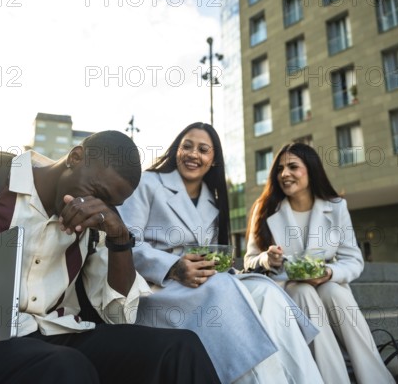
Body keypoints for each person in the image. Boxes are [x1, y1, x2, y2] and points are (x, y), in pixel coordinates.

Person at [0, 131, 221, 384]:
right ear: (75, 157)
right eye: (98, 193)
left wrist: (120, 239)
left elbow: (119, 317)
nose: (98, 207)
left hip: (57, 333)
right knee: (64, 367)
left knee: (180, 348)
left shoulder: (96, 224)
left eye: (111, 204)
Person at [118, 122, 324, 384]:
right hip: (157, 289)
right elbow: (125, 241)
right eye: (187, 146)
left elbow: (213, 254)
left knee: (269, 293)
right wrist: (173, 266)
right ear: (176, 150)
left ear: (213, 160)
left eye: (204, 150)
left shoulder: (212, 203)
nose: (194, 154)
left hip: (203, 286)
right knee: (226, 289)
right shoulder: (148, 183)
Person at [244, 142, 394, 384]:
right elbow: (249, 260)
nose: (285, 174)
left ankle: (376, 378)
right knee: (301, 290)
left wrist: (328, 273)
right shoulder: (265, 208)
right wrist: (267, 258)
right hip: (285, 287)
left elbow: (353, 259)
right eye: (280, 169)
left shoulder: (335, 207)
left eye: (293, 166)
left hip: (326, 283)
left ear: (311, 170)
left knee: (334, 292)